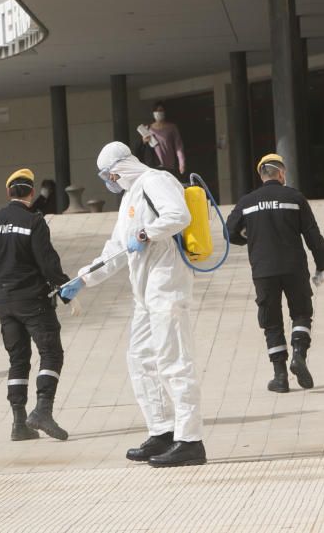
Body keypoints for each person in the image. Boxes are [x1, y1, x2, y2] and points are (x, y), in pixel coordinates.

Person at [61, 141, 205, 468]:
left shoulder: (156, 180)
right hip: (144, 291)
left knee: (174, 359)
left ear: (120, 168)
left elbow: (178, 215)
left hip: (166, 283)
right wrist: (82, 279)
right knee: (140, 358)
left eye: (108, 175)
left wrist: (146, 233)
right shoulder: (130, 196)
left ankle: (190, 439)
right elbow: (115, 250)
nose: (108, 181)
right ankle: (162, 430)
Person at [0, 168, 80, 441]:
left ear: (8, 192)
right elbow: (48, 263)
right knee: (51, 354)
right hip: (33, 301)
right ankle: (43, 411)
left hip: (5, 303)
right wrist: (66, 291)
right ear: (31, 193)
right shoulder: (34, 222)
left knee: (18, 360)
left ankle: (19, 424)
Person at [226, 154, 324, 393]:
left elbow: (229, 233)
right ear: (282, 174)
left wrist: (249, 235)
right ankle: (299, 355)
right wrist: (321, 265)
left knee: (271, 322)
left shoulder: (247, 202)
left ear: (261, 176)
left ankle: (280, 377)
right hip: (294, 267)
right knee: (301, 313)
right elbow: (314, 238)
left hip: (263, 271)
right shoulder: (295, 198)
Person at [137, 102, 186, 175]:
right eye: (156, 111)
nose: (158, 113)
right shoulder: (148, 128)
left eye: (161, 110)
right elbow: (140, 148)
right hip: (153, 165)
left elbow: (178, 146)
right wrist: (144, 141)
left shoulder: (172, 127)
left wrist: (181, 163)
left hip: (169, 165)